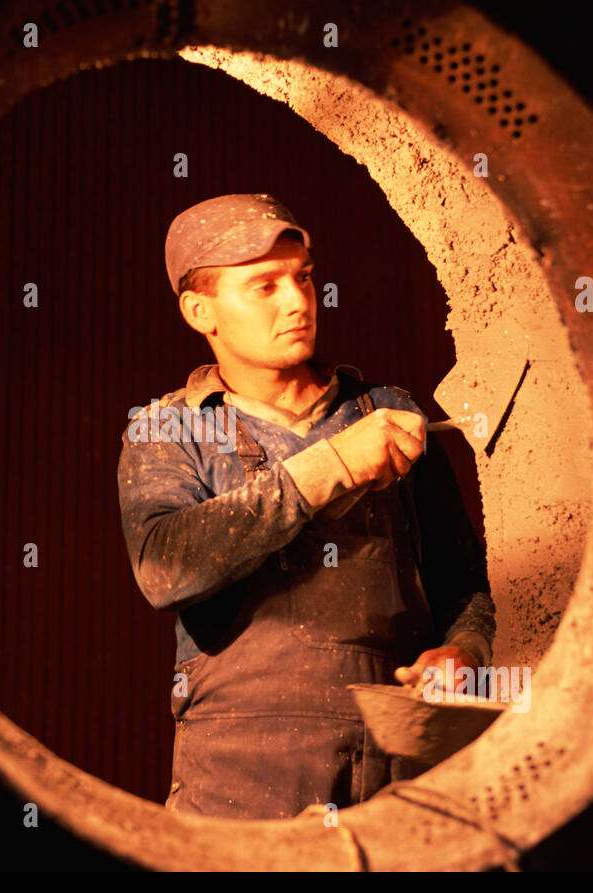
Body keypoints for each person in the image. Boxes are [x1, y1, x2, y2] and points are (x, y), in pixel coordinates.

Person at [117, 193, 495, 820]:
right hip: (240, 776)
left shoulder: (387, 413)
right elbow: (166, 569)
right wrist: (335, 464)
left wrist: (464, 654)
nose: (298, 301)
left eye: (303, 278)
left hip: (394, 773)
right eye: (264, 286)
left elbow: (466, 589)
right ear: (199, 309)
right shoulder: (169, 429)